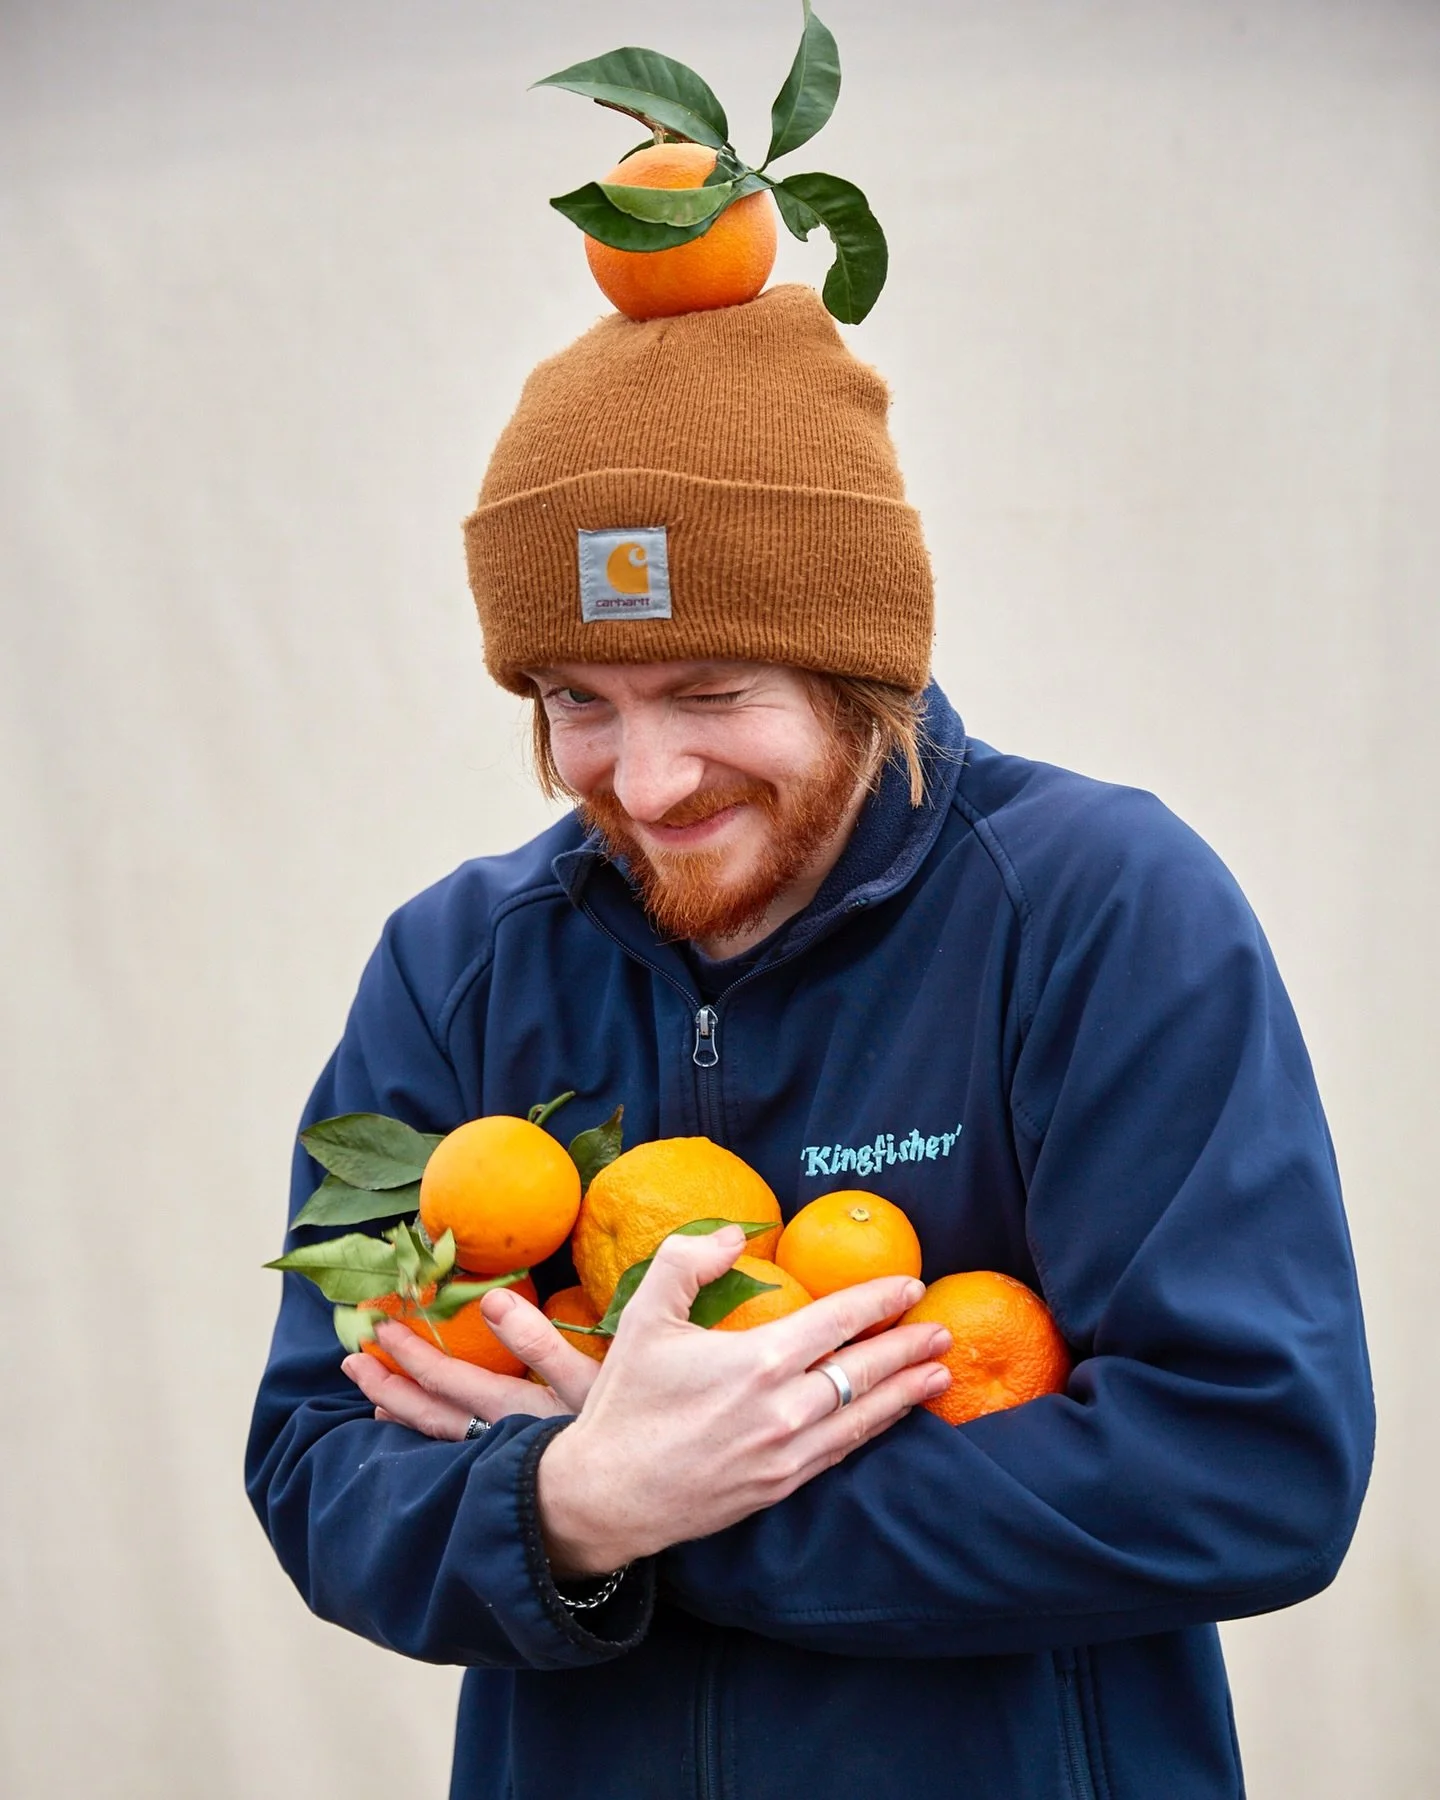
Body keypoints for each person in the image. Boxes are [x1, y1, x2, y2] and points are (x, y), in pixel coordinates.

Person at [246, 285, 1373, 1800]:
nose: (644, 781)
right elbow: (320, 1461)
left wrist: (702, 1500)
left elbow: (1252, 1466)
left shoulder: (1100, 909)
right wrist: (572, 1503)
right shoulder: (461, 963)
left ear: (860, 665)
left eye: (711, 692)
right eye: (579, 701)